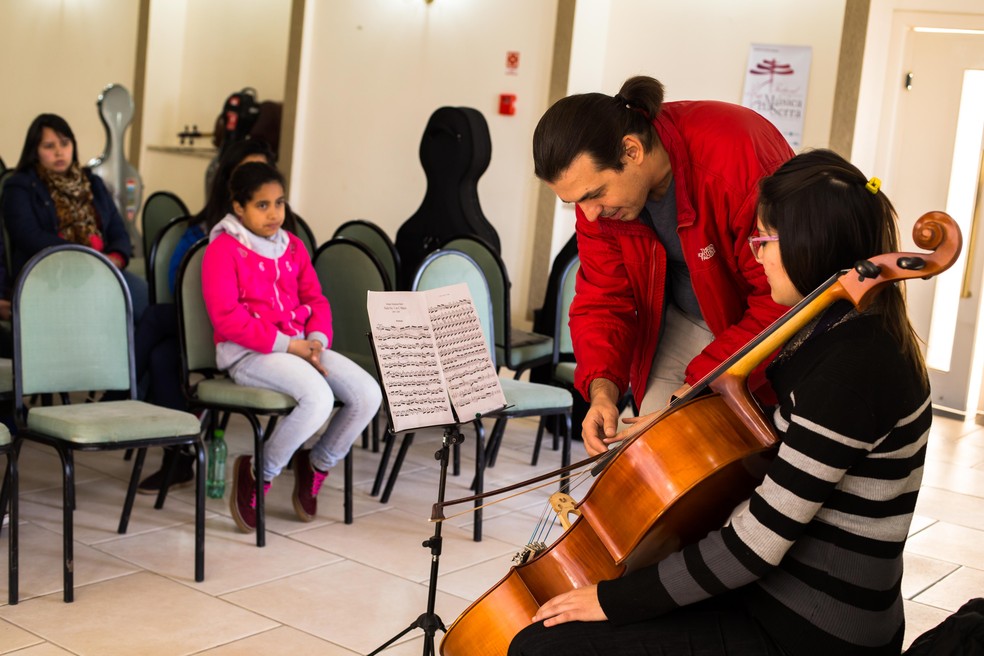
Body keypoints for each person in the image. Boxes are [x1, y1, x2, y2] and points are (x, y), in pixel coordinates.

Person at [508, 149, 933, 656]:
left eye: (764, 239)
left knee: (545, 647)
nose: (755, 254)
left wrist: (614, 599)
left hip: (814, 630)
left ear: (810, 245)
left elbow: (756, 545)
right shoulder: (835, 336)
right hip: (779, 596)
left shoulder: (854, 367)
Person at [532, 76, 793, 455]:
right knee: (648, 452)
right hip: (684, 317)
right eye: (575, 203)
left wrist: (697, 387)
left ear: (632, 151)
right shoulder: (597, 208)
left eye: (594, 195)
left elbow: (781, 299)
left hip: (758, 318)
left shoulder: (734, 155)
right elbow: (603, 299)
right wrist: (602, 392)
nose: (588, 214)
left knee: (732, 461)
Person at [202, 161, 381, 531]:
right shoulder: (222, 249)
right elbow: (227, 318)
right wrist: (290, 345)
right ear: (238, 206)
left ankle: (315, 463)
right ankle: (258, 472)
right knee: (316, 398)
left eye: (279, 203)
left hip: (300, 345)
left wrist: (315, 341)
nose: (274, 214)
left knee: (368, 394)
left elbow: (316, 300)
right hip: (249, 353)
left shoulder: (293, 247)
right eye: (262, 205)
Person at [134, 138, 289, 494]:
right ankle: (179, 453)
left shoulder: (277, 234)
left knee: (157, 321)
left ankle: (125, 396)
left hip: (247, 332)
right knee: (162, 354)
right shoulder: (203, 229)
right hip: (202, 320)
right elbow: (180, 282)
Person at [2, 114, 148, 322]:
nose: (59, 152)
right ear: (35, 151)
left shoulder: (92, 182)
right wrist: (81, 256)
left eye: (64, 143)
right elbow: (28, 235)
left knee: (142, 296)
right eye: (49, 146)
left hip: (102, 269)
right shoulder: (20, 186)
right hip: (52, 275)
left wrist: (115, 257)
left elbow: (117, 228)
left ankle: (132, 354)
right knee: (105, 310)